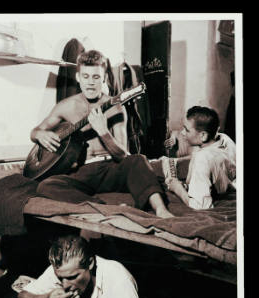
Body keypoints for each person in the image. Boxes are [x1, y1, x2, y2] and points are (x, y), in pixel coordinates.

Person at [31, 49, 174, 218]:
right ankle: (104, 208)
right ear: (78, 78)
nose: (90, 83)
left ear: (104, 78)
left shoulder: (115, 107)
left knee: (139, 160)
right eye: (86, 77)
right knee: (47, 186)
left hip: (110, 169)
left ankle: (161, 210)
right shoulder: (66, 106)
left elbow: (124, 156)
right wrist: (39, 134)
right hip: (82, 172)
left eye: (96, 77)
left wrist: (103, 132)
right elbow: (35, 131)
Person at [15, 235, 140, 298]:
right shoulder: (63, 268)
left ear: (90, 263)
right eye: (60, 278)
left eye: (72, 277)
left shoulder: (118, 279)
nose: (65, 285)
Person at [163, 106, 236, 210]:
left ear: (203, 136)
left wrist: (178, 188)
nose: (183, 133)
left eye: (186, 130)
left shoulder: (202, 158)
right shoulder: (224, 138)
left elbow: (200, 206)